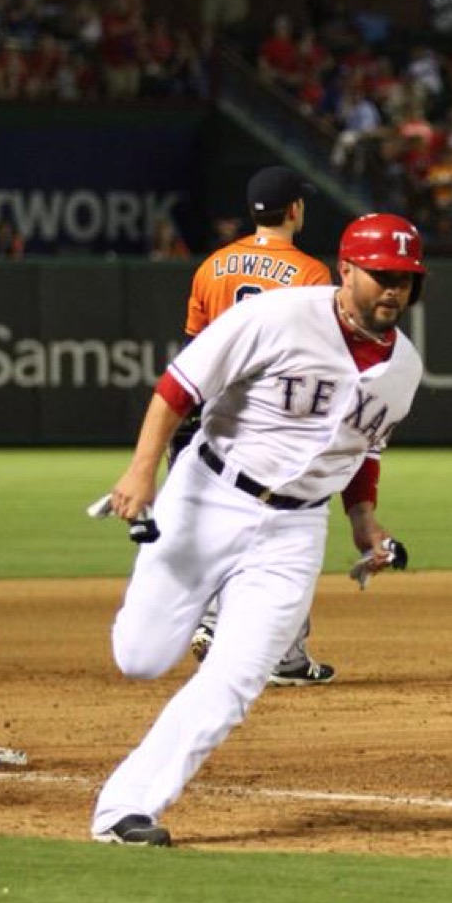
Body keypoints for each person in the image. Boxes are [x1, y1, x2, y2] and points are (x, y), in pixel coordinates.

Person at [94, 211, 428, 847]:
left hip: (295, 531)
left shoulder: (404, 369)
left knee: (237, 677)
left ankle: (126, 809)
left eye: (406, 280)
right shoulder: (276, 317)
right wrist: (142, 473)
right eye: (382, 275)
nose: (393, 290)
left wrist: (363, 521)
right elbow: (177, 388)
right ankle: (176, 619)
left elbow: (363, 449)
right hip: (208, 495)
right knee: (141, 658)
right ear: (348, 268)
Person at [179, 166, 336, 685]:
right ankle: (276, 650)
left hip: (217, 422)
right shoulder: (311, 274)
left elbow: (193, 351)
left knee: (230, 527)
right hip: (278, 423)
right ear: (294, 210)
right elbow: (318, 358)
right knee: (293, 528)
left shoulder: (212, 266)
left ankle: (215, 622)